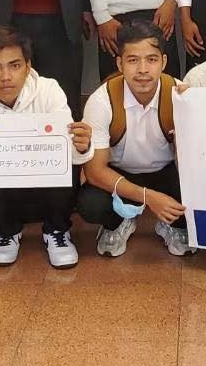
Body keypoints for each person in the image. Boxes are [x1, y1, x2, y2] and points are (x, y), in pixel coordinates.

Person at [0, 25, 92, 268]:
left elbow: (72, 158)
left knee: (65, 163)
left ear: (28, 66)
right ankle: (5, 232)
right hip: (5, 197)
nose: (5, 77)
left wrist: (81, 146)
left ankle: (56, 231)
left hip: (46, 193)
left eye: (14, 65)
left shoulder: (49, 91)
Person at [76, 19, 191, 259]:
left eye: (151, 59)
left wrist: (187, 127)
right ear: (119, 63)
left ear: (164, 62)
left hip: (165, 171)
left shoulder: (179, 95)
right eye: (132, 60)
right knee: (91, 205)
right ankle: (118, 222)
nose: (142, 70)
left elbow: (194, 164)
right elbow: (96, 171)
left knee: (197, 190)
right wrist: (149, 197)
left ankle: (173, 224)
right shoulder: (101, 100)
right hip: (119, 173)